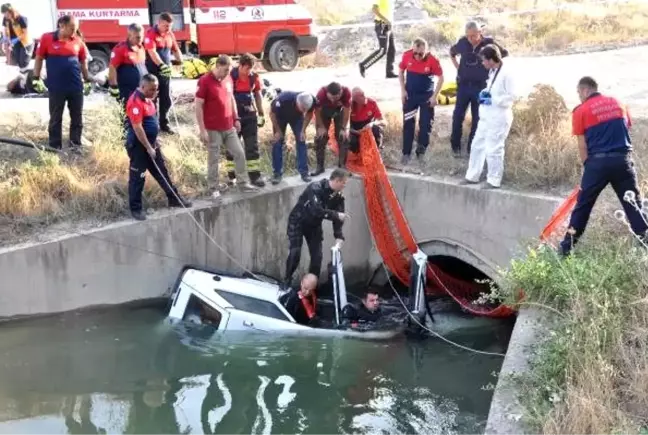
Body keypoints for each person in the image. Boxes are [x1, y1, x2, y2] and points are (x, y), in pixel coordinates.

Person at [559, 77, 648, 256]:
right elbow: (625, 128)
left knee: (583, 205)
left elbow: (582, 145)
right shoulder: (618, 103)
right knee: (633, 204)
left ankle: (566, 248)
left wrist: (588, 168)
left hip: (597, 163)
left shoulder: (581, 111)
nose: (579, 97)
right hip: (623, 161)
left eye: (578, 93)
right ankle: (644, 241)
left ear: (584, 90)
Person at [125, 74, 192, 221]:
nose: (155, 92)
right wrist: (149, 147)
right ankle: (136, 209)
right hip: (139, 147)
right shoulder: (135, 102)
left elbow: (152, 123)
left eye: (156, 89)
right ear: (143, 87)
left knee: (162, 172)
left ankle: (174, 198)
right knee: (138, 178)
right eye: (152, 89)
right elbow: (138, 128)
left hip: (152, 144)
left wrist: (155, 141)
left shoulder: (149, 100)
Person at [195, 55, 258, 201]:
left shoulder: (228, 79)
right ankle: (213, 188)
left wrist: (236, 118)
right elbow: (198, 105)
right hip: (212, 128)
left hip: (228, 126)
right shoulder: (204, 81)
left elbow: (231, 99)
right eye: (224, 70)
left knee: (239, 153)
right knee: (214, 158)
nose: (226, 74)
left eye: (228, 71)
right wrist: (202, 129)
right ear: (217, 66)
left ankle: (243, 182)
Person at [450, 21, 509, 158]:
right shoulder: (463, 42)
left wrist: (493, 73)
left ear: (480, 33)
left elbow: (503, 55)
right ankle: (455, 148)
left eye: (473, 36)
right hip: (463, 86)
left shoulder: (489, 43)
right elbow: (452, 52)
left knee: (479, 118)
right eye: (468, 36)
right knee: (458, 116)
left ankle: (473, 149)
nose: (471, 39)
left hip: (482, 88)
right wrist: (459, 68)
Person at [33, 15, 92, 152]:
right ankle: (55, 146)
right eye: (72, 28)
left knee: (77, 117)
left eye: (76, 28)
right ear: (62, 25)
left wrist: (87, 80)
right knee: (55, 117)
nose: (74, 31)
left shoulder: (78, 41)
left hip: (75, 87)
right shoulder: (47, 38)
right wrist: (36, 78)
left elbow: (83, 62)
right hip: (56, 87)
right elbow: (39, 58)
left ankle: (75, 145)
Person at [283, 168, 349, 289]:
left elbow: (339, 216)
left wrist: (338, 235)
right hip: (298, 220)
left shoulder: (338, 196)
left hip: (313, 225)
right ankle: (287, 280)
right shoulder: (315, 188)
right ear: (337, 180)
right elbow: (316, 211)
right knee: (295, 252)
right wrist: (335, 215)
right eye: (344, 182)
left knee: (317, 256)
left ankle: (312, 285)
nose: (345, 185)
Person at [462, 45, 517, 189]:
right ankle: (472, 176)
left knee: (494, 149)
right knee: (477, 145)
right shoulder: (493, 71)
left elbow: (512, 97)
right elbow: (493, 89)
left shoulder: (508, 73)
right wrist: (485, 93)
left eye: (484, 60)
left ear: (492, 59)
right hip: (487, 116)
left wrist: (494, 99)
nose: (482, 63)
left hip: (499, 117)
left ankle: (494, 180)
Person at [398, 38, 444, 165]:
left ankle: (421, 152)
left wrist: (434, 96)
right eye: (415, 53)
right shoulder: (406, 55)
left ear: (426, 51)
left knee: (425, 124)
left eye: (421, 54)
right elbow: (401, 72)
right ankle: (406, 153)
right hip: (410, 96)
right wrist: (403, 91)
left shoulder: (433, 60)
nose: (417, 56)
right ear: (412, 50)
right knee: (408, 124)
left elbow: (441, 78)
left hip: (426, 97)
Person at [225, 53, 266, 188]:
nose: (249, 71)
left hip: (249, 116)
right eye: (247, 68)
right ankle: (232, 177)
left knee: (252, 147)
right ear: (241, 65)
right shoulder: (231, 76)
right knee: (232, 148)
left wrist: (261, 113)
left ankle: (255, 176)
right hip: (232, 117)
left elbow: (258, 95)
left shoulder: (254, 78)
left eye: (251, 68)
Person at [144, 12, 182, 135]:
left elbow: (176, 50)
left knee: (166, 99)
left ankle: (164, 124)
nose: (168, 28)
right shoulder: (151, 34)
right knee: (152, 99)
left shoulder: (170, 34)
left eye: (170, 26)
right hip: (153, 71)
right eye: (165, 26)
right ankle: (152, 125)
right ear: (159, 23)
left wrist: (181, 62)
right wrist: (161, 65)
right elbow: (152, 52)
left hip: (165, 72)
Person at [269, 90, 317, 184]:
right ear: (297, 103)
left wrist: (303, 130)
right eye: (302, 108)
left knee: (301, 140)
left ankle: (304, 172)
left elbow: (309, 114)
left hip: (297, 118)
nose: (304, 111)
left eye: (305, 110)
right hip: (280, 117)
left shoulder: (311, 100)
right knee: (277, 142)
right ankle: (277, 173)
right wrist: (278, 131)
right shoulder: (282, 100)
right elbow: (272, 114)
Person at [313, 82, 352, 175]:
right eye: (330, 98)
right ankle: (320, 167)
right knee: (320, 138)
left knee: (343, 137)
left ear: (340, 93)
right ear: (327, 93)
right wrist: (321, 127)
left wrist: (343, 128)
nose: (333, 100)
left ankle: (342, 166)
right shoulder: (321, 93)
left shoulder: (346, 92)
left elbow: (347, 111)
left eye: (336, 98)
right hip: (324, 112)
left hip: (339, 112)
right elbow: (317, 111)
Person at [108, 23, 147, 108]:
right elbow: (112, 67)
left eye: (142, 36)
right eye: (138, 37)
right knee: (128, 116)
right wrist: (113, 86)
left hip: (141, 89)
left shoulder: (141, 48)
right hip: (127, 91)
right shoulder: (120, 49)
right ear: (129, 35)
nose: (141, 39)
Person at [358, 0, 397, 79]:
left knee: (392, 49)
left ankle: (389, 72)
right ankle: (363, 65)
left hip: (388, 26)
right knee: (382, 50)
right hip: (382, 25)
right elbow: (374, 10)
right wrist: (386, 20)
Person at [350, 87, 386, 152]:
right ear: (355, 99)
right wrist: (356, 132)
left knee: (376, 129)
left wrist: (372, 124)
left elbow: (383, 121)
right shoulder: (349, 106)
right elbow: (343, 126)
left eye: (364, 94)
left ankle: (376, 150)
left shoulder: (372, 103)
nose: (364, 96)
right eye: (361, 96)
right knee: (350, 140)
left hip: (368, 128)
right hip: (355, 130)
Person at [1, 3, 32, 72]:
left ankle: (28, 79)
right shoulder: (6, 19)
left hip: (25, 43)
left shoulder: (21, 18)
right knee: (18, 63)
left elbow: (25, 33)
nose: (5, 16)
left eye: (6, 13)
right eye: (4, 14)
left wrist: (17, 39)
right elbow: (6, 29)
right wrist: (4, 38)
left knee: (23, 63)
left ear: (11, 11)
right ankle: (22, 80)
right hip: (15, 44)